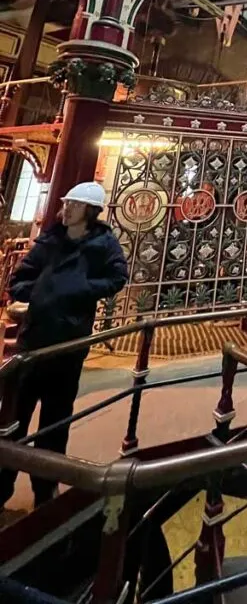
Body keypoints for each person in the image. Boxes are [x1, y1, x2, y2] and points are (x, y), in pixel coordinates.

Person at [0, 182, 128, 513]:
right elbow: (20, 280)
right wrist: (41, 293)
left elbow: (117, 279)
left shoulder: (103, 244)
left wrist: (80, 289)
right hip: (33, 342)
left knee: (55, 421)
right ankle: (1, 487)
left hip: (69, 346)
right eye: (66, 202)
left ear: (89, 210)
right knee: (14, 419)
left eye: (73, 204)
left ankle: (45, 490)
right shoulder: (51, 240)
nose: (66, 208)